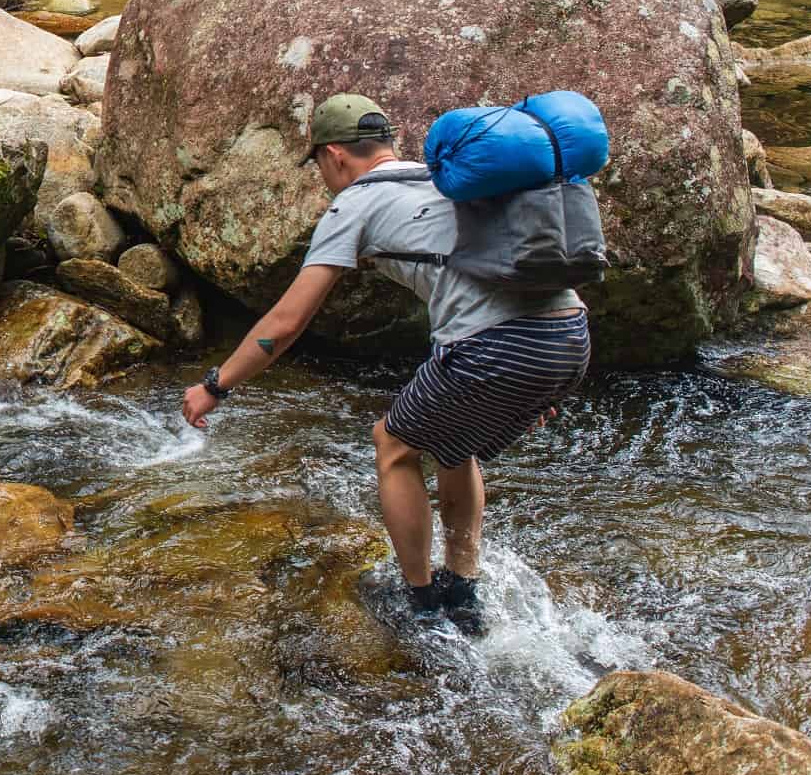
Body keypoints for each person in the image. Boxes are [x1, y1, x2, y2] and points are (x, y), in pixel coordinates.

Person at [180, 94, 592, 633]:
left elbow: (286, 323)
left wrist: (217, 385)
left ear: (333, 155)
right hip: (569, 334)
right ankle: (461, 589)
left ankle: (420, 600)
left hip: (493, 345)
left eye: (321, 167)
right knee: (454, 444)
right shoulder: (449, 178)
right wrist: (542, 384)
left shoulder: (355, 203)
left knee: (393, 444)